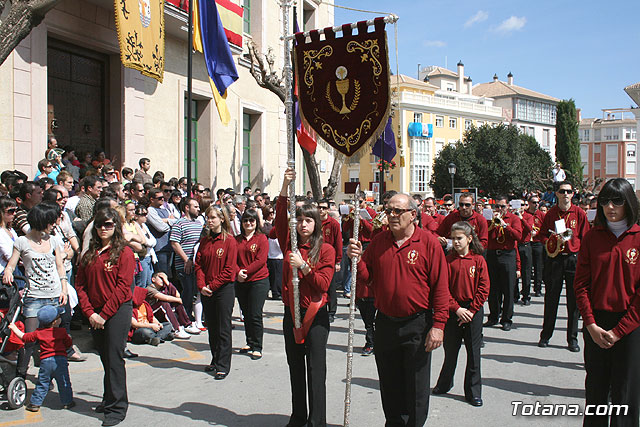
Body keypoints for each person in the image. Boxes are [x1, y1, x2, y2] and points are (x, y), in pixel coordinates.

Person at [347, 193, 450, 427]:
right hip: (385, 323)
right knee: (390, 383)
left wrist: (439, 326)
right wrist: (357, 260)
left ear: (413, 215)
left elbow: (441, 288)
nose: (391, 216)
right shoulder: (379, 242)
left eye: (397, 211)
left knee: (416, 386)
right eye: (388, 210)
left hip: (417, 324)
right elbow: (368, 279)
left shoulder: (428, 243)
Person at [574, 178, 640, 427]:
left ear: (629, 203)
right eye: (604, 201)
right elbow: (581, 285)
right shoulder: (592, 238)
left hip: (630, 327)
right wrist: (590, 325)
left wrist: (620, 331)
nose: (610, 207)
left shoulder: (638, 238)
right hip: (597, 324)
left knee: (625, 394)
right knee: (597, 392)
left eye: (617, 201)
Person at [276, 168, 335, 427]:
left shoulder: (326, 250)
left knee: (315, 371)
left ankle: (317, 421)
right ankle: (298, 416)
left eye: (308, 221)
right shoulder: (290, 244)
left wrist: (304, 266)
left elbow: (322, 284)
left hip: (316, 317)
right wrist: (284, 186)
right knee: (295, 369)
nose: (303, 225)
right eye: (299, 220)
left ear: (316, 224)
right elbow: (279, 219)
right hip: (292, 315)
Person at [74, 208, 135, 426]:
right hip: (95, 313)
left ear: (116, 226)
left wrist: (104, 315)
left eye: (108, 225)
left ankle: (117, 407)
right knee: (105, 358)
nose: (103, 229)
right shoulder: (90, 253)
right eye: (100, 225)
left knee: (114, 358)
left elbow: (122, 287)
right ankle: (108, 397)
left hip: (117, 311)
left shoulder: (124, 252)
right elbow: (80, 285)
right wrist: (90, 312)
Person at [3, 203, 68, 377]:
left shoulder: (53, 240)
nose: (54, 224)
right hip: (34, 296)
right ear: (42, 220)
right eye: (51, 221)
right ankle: (21, 374)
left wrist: (64, 289)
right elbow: (12, 264)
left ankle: (53, 372)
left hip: (54, 294)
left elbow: (60, 266)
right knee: (29, 338)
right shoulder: (22, 241)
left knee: (54, 338)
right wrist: (8, 272)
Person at [433, 221, 489, 407]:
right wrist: (456, 309)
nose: (456, 242)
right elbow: (443, 289)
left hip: (473, 310)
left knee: (473, 354)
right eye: (453, 238)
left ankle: (473, 392)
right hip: (453, 310)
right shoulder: (447, 260)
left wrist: (472, 310)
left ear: (469, 239)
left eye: (459, 238)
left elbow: (484, 287)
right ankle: (445, 383)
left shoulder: (478, 260)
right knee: (450, 351)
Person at [537, 181, 590, 352]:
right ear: (557, 194)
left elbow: (586, 237)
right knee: (551, 298)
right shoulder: (552, 213)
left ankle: (572, 339)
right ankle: (546, 335)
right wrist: (551, 242)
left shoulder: (579, 213)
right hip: (555, 260)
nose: (565, 194)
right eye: (562, 191)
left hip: (573, 260)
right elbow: (542, 235)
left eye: (568, 191)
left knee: (573, 302)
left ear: (572, 194)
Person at [195, 205, 237, 380]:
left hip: (223, 290)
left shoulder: (230, 241)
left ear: (221, 219)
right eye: (207, 217)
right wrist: (202, 284)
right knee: (212, 326)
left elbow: (229, 270)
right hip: (207, 290)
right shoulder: (205, 241)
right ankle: (215, 358)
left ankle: (223, 365)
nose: (209, 221)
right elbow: (199, 264)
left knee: (223, 328)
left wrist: (212, 286)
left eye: (213, 217)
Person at [9, 305, 75, 412]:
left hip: (45, 361)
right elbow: (68, 344)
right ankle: (67, 402)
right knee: (64, 382)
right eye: (59, 317)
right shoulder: (62, 332)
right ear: (54, 322)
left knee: (42, 383)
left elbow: (25, 337)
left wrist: (14, 328)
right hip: (60, 361)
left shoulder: (39, 333)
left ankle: (35, 403)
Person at [235, 208, 270, 360]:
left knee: (255, 314)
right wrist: (238, 272)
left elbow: (260, 261)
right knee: (246, 313)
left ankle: (257, 346)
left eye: (251, 220)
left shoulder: (262, 238)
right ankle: (249, 341)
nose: (248, 223)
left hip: (258, 280)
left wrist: (245, 272)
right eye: (245, 220)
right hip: (241, 281)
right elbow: (231, 259)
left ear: (256, 222)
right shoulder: (236, 240)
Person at [484, 196, 522, 331]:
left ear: (508, 207)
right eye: (497, 206)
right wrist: (491, 223)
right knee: (493, 289)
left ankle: (506, 319)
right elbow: (484, 235)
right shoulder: (489, 219)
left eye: (502, 206)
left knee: (508, 289)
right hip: (493, 255)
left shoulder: (514, 219)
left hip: (507, 255)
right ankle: (493, 316)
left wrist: (505, 225)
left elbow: (518, 236)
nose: (499, 209)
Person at [169, 197, 203, 326]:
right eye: (195, 206)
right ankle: (185, 319)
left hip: (196, 264)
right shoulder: (179, 223)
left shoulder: (198, 223)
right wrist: (186, 260)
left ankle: (194, 317)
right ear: (187, 208)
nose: (198, 209)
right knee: (188, 291)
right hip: (184, 265)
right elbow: (174, 243)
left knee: (195, 292)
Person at [146, 272, 197, 339]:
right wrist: (178, 299)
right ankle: (176, 329)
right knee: (164, 303)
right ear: (153, 279)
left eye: (165, 278)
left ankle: (187, 324)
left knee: (176, 303)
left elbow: (177, 295)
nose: (163, 280)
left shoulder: (163, 287)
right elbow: (165, 298)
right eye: (161, 278)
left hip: (160, 313)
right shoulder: (149, 288)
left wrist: (167, 282)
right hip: (151, 313)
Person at [318, 199, 342, 323]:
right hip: (316, 258)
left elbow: (338, 242)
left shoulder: (333, 224)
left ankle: (331, 311)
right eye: (319, 208)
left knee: (331, 286)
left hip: (330, 259)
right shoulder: (315, 222)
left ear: (328, 209)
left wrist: (338, 261)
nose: (321, 210)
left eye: (323, 208)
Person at [147, 188, 176, 275]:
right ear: (152, 199)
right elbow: (161, 227)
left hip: (169, 247)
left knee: (168, 274)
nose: (162, 199)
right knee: (162, 274)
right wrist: (169, 221)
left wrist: (165, 220)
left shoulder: (166, 210)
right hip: (160, 248)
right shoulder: (150, 210)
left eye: (163, 197)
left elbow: (176, 222)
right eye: (159, 198)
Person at [262, 205, 283, 300]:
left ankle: (277, 291)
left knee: (278, 276)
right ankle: (276, 292)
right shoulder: (269, 229)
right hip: (274, 256)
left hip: (277, 256)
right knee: (276, 277)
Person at [528, 195, 546, 297]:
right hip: (527, 243)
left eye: (537, 203)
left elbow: (545, 228)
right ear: (530, 203)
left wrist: (537, 234)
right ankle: (526, 289)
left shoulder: (541, 215)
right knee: (527, 268)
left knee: (538, 266)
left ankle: (538, 288)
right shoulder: (525, 214)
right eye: (534, 202)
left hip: (538, 242)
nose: (536, 205)